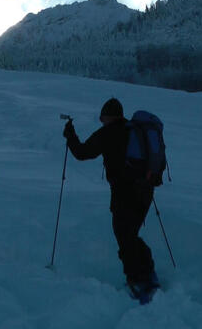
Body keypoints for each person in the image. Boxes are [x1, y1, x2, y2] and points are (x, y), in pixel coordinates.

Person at [62, 98, 159, 293]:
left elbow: (82, 153)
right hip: (146, 190)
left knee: (124, 236)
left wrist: (70, 136)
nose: (101, 121)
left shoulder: (107, 133)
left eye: (102, 117)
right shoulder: (132, 130)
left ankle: (138, 279)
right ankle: (146, 272)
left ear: (107, 116)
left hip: (124, 192)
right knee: (129, 234)